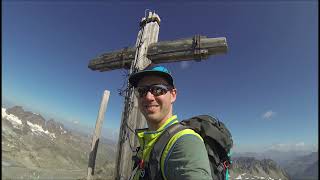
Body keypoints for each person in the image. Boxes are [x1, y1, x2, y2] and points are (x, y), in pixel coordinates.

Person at [129, 65, 212, 180]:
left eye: (158, 89)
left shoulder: (185, 142)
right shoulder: (148, 140)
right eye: (141, 91)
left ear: (173, 95)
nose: (148, 97)